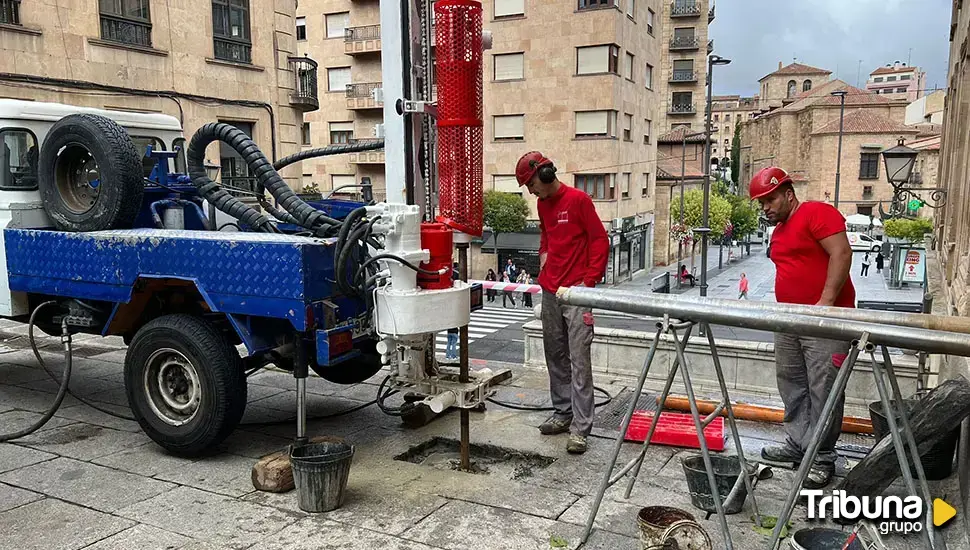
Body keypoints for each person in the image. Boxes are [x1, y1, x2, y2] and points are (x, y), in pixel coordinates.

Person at [750, 166, 854, 489]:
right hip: (790, 319)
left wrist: (825, 302)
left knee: (824, 389)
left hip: (826, 321)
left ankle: (821, 456)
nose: (765, 207)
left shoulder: (814, 213)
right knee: (792, 383)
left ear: (788, 194)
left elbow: (842, 253)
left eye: (769, 200)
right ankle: (798, 444)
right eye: (761, 203)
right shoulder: (779, 232)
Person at [515, 151, 609, 454]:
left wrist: (589, 282)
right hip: (551, 289)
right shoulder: (543, 205)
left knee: (579, 361)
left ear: (544, 175)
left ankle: (581, 428)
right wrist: (543, 261)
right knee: (555, 355)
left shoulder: (579, 200)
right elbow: (546, 235)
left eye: (531, 184)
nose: (531, 192)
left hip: (577, 292)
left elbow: (599, 239)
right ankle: (563, 412)